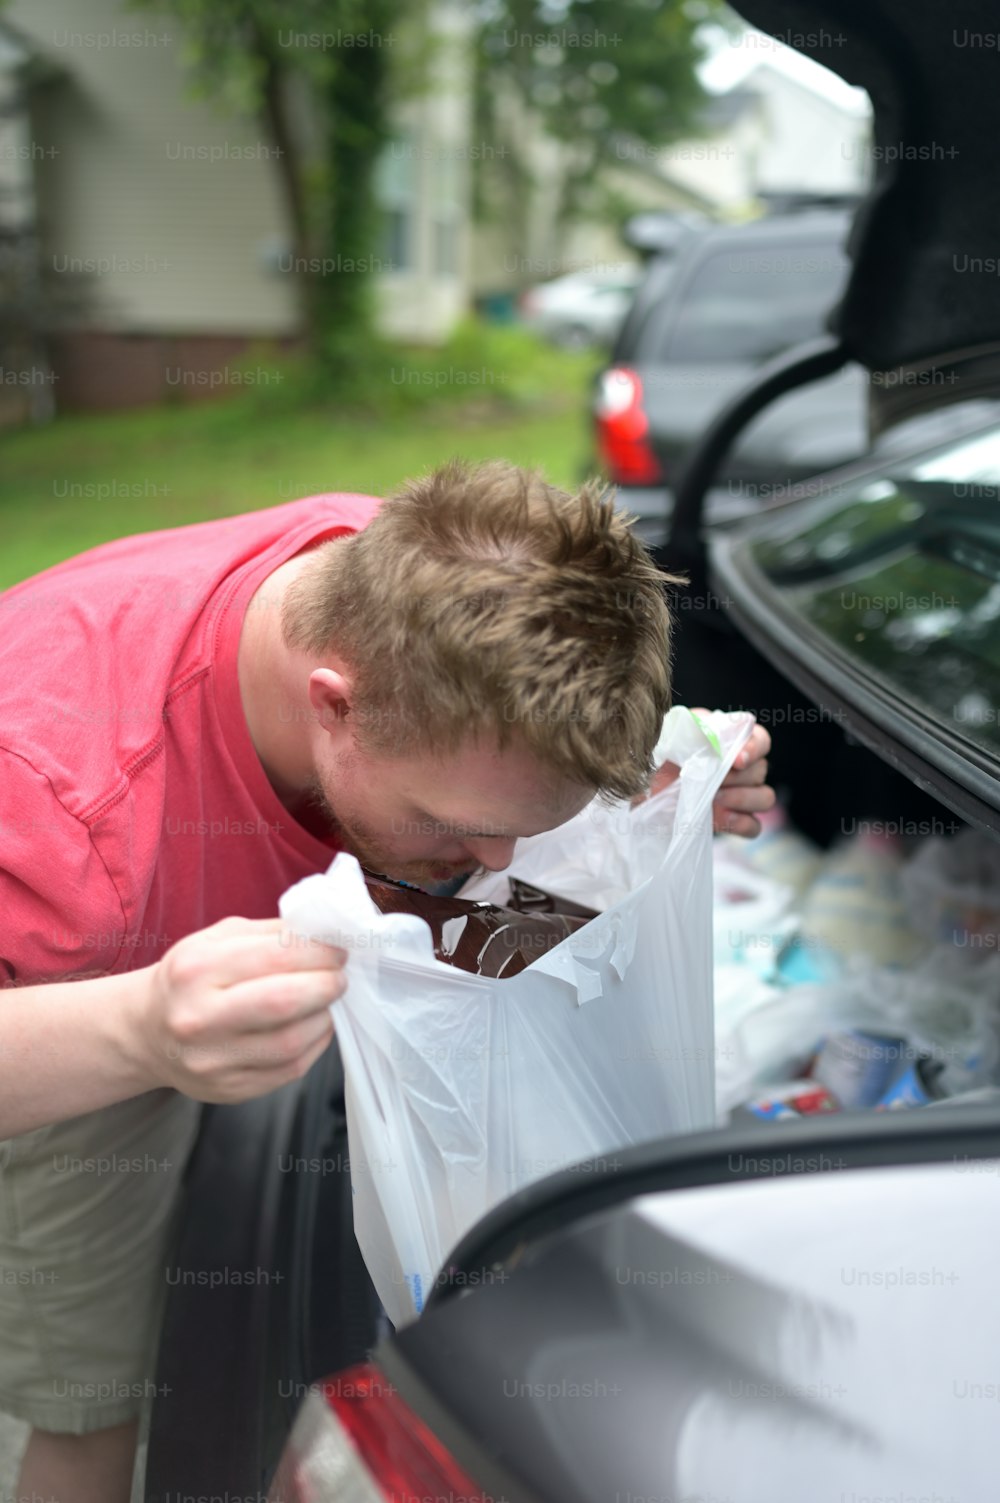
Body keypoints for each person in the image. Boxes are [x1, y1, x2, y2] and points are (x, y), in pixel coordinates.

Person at [0, 459, 773, 1502]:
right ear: (335, 706)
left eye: (520, 830)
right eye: (452, 827)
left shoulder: (427, 587)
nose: (496, 863)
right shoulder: (58, 816)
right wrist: (135, 1030)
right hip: (71, 1014)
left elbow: (478, 907)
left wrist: (637, 824)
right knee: (95, 1399)